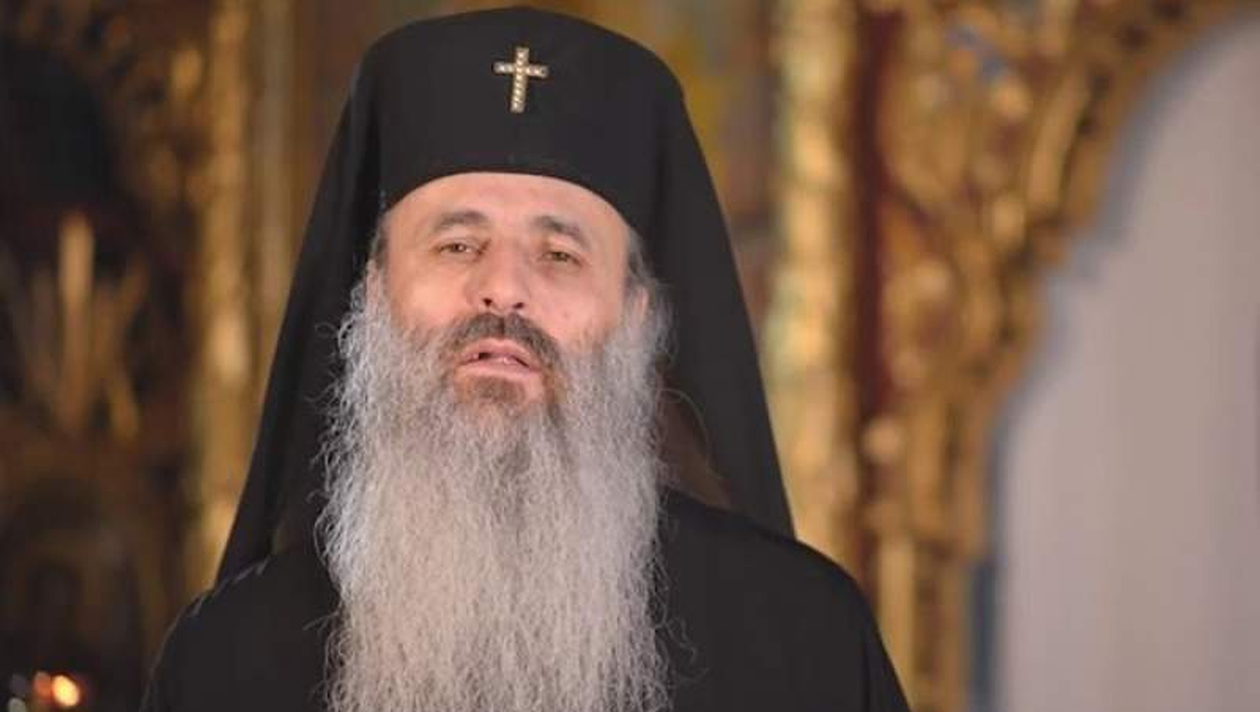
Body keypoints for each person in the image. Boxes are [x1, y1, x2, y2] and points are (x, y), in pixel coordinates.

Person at [141, 7, 910, 712]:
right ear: (373, 295)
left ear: (635, 317)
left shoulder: (803, 641)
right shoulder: (227, 660)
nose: (504, 288)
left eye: (560, 254)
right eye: (457, 244)